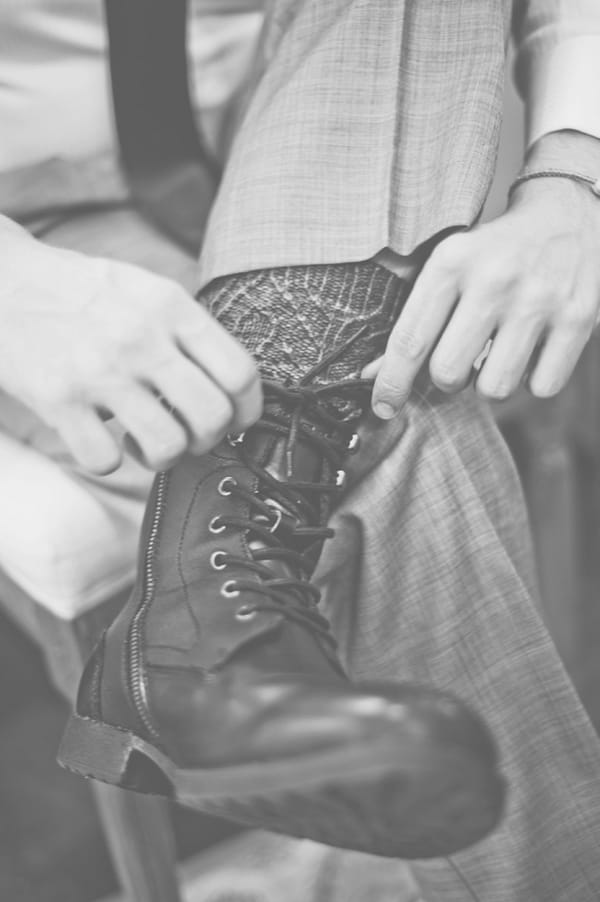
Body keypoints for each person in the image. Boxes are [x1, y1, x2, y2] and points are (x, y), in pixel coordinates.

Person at [2, 1, 600, 899]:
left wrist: (574, 183)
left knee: (378, 363)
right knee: (405, 410)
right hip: (35, 228)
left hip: (292, 172)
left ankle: (193, 648)